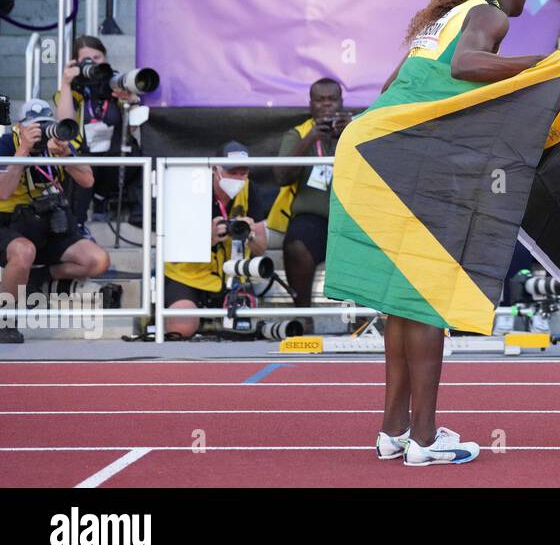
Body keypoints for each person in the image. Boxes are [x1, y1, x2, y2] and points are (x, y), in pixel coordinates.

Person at [367, 0, 545, 467]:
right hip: (409, 162)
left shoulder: (440, 21)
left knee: (402, 304)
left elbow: (391, 86)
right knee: (426, 303)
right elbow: (468, 66)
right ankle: (423, 440)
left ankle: (393, 431)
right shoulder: (489, 16)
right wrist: (544, 65)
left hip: (378, 151)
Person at [0, 100, 108, 344]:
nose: (42, 132)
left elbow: (88, 180)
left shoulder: (55, 147)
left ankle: (40, 278)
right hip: (8, 224)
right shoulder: (7, 144)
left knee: (98, 260)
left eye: (47, 126)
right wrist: (23, 152)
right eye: (35, 127)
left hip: (47, 224)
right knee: (24, 251)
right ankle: (4, 318)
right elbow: (3, 191)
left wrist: (67, 154)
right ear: (20, 127)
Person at [162, 142, 269, 339]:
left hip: (233, 278)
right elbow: (173, 254)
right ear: (215, 169)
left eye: (242, 172)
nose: (238, 178)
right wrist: (207, 239)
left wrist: (251, 234)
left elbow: (261, 249)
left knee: (243, 331)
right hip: (187, 276)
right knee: (182, 327)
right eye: (232, 172)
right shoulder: (190, 189)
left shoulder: (250, 189)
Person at [270, 80, 351, 316]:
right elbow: (281, 177)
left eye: (332, 99)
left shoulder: (357, 128)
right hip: (312, 217)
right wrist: (310, 139)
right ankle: (303, 316)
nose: (326, 105)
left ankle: (361, 322)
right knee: (296, 245)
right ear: (310, 105)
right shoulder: (298, 133)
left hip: (350, 216)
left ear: (341, 103)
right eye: (320, 100)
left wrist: (351, 131)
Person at [53, 36, 145, 225]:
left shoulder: (115, 80)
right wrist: (67, 83)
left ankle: (105, 200)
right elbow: (65, 120)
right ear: (76, 62)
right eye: (87, 59)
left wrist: (131, 100)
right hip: (84, 154)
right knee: (77, 160)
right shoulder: (74, 87)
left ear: (105, 58)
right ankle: (77, 221)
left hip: (115, 154)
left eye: (97, 58)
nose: (93, 63)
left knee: (137, 154)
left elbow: (134, 125)